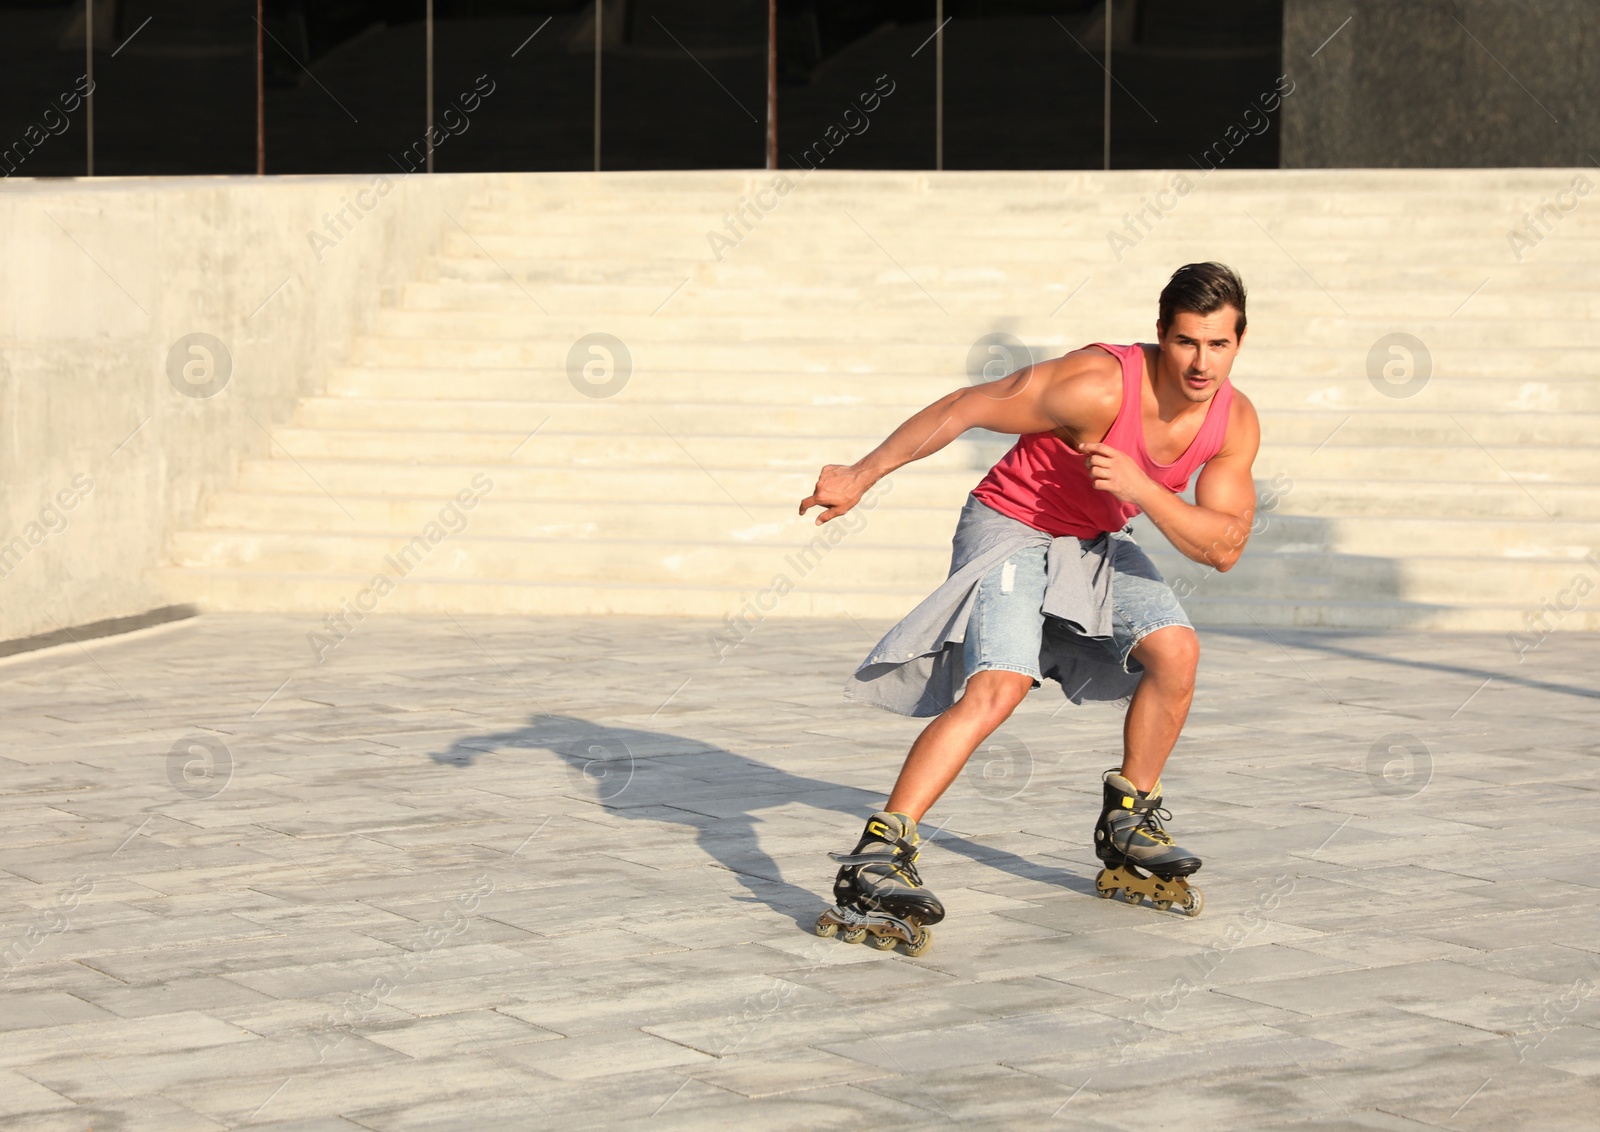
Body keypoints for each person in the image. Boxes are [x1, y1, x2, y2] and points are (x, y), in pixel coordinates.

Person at [801, 262, 1261, 954]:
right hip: (1012, 523)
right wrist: (860, 476)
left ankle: (1130, 817)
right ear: (1161, 335)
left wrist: (1141, 485)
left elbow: (1223, 547)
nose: (1202, 363)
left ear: (1240, 341)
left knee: (1177, 650)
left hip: (1092, 538)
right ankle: (880, 851)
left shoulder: (1233, 421)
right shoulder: (1096, 384)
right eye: (1188, 342)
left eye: (1218, 345)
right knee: (1000, 685)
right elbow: (967, 405)